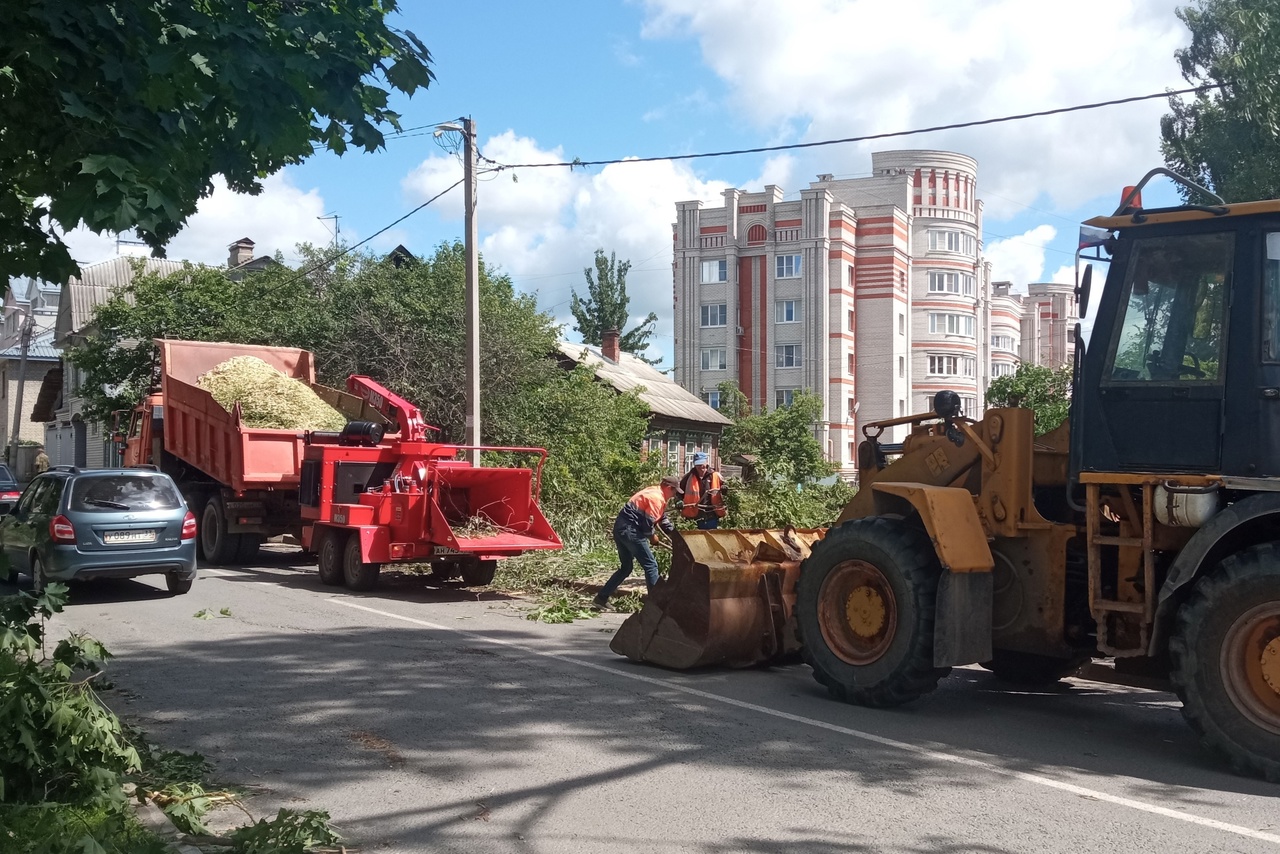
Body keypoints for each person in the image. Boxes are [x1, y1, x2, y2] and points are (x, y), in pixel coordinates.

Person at [593, 475, 682, 609]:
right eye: (675, 491)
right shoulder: (656, 498)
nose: (675, 495)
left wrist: (676, 536)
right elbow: (647, 524)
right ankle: (655, 604)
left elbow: (662, 518)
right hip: (630, 531)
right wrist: (652, 537)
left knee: (626, 568)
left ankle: (601, 598)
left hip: (621, 528)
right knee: (651, 565)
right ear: (669, 488)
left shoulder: (655, 492)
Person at [679, 451, 726, 530]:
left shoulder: (715, 476)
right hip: (693, 517)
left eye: (702, 465)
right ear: (694, 465)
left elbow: (726, 491)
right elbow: (678, 492)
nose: (701, 468)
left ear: (706, 463)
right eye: (698, 465)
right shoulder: (687, 478)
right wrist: (678, 501)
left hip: (711, 515)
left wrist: (725, 489)